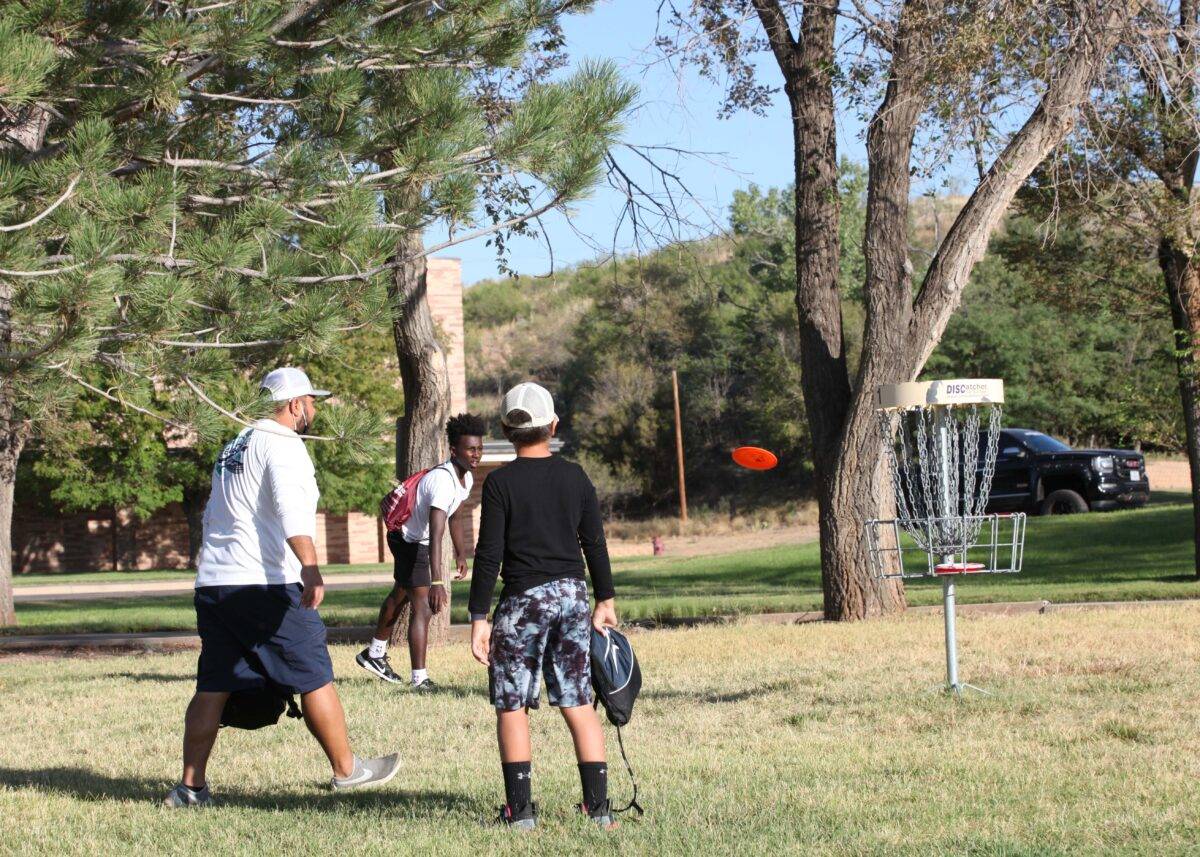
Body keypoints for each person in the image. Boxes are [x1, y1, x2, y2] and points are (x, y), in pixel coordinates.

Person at [163, 367, 401, 808]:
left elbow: (213, 514)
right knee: (314, 673)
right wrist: (309, 567)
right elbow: (293, 512)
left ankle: (191, 787)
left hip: (216, 582)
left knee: (213, 684)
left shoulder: (235, 444)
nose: (314, 410)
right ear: (294, 405)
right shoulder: (284, 443)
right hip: (265, 584)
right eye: (311, 402)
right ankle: (348, 771)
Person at [468, 382, 619, 831]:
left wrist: (479, 617)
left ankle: (521, 812)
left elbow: (488, 553)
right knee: (578, 700)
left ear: (506, 430)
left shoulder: (499, 483)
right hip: (572, 597)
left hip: (522, 603)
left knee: (513, 704)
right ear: (553, 426)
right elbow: (594, 542)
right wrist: (605, 599)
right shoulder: (575, 477)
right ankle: (598, 810)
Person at [357, 413, 485, 691]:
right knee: (423, 607)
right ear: (454, 451)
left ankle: (374, 654)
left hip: (417, 540)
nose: (476, 454)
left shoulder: (466, 480)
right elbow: (435, 535)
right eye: (470, 449)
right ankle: (419, 680)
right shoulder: (442, 481)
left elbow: (455, 517)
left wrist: (461, 554)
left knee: (401, 595)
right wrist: (438, 581)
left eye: (479, 448)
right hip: (409, 541)